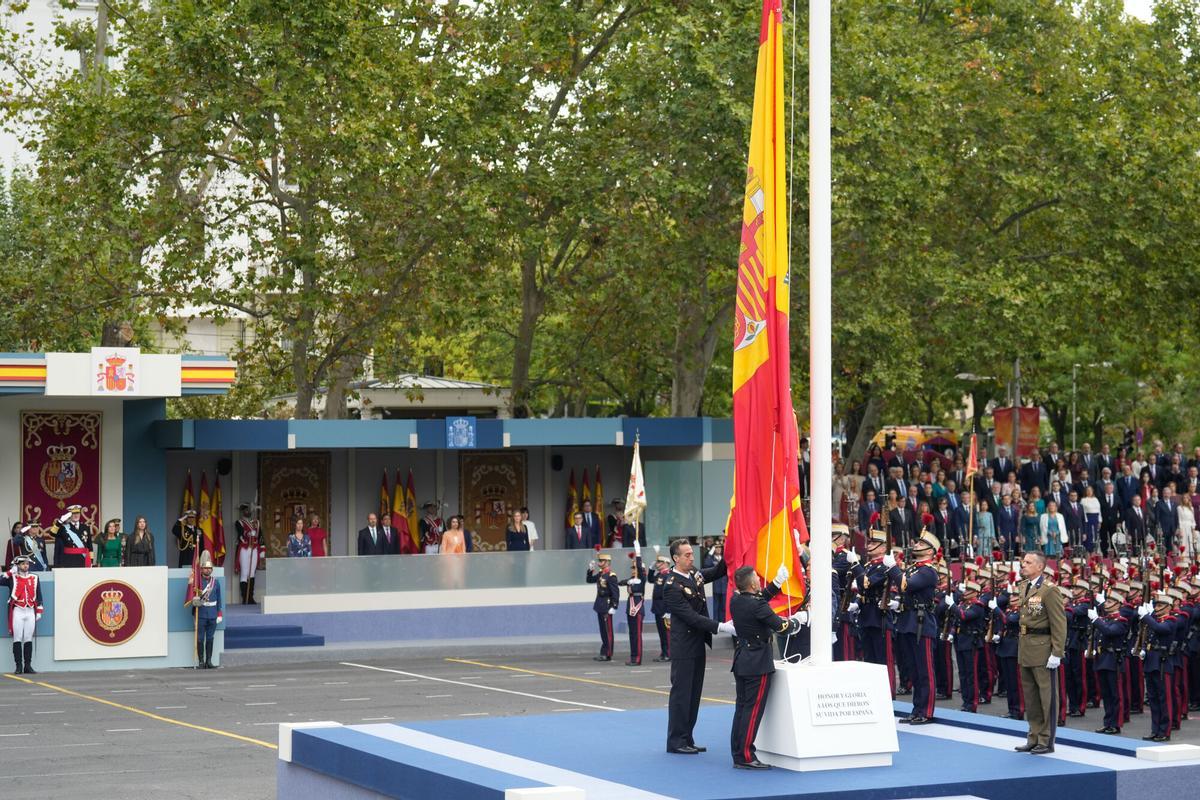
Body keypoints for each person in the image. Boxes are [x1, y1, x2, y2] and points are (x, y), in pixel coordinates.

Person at [728, 563, 803, 770]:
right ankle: (745, 756)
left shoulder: (737, 600)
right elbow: (781, 626)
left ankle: (738, 751)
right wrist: (798, 620)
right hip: (757, 662)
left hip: (743, 658)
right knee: (752, 711)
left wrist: (776, 583)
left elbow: (758, 603)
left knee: (742, 708)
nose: (759, 581)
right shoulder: (756, 605)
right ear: (752, 583)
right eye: (757, 579)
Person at [664, 538, 734, 754]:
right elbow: (691, 617)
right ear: (676, 558)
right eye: (687, 555)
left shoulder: (695, 574)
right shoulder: (671, 586)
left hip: (696, 644)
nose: (692, 558)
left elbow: (719, 570)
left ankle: (687, 737)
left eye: (692, 554)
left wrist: (731, 541)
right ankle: (676, 741)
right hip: (683, 646)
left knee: (694, 694)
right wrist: (721, 626)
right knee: (682, 694)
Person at [1015, 550, 1067, 755]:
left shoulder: (1049, 590)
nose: (1023, 565)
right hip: (1026, 647)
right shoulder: (1023, 587)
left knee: (1047, 697)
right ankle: (1034, 736)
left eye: (1028, 562)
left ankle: (1046, 740)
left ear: (1040, 566)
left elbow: (1059, 623)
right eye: (1023, 561)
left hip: (1043, 649)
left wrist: (1057, 652)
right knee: (1031, 697)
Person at [895, 530, 940, 725]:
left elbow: (907, 586)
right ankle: (916, 709)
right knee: (914, 670)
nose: (917, 545)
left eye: (922, 544)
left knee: (925, 670)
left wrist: (892, 569)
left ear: (931, 551)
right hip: (908, 621)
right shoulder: (914, 568)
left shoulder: (928, 571)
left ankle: (926, 711)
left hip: (922, 623)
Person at [1088, 589, 1129, 734]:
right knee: (1106, 694)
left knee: (1115, 694)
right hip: (1102, 660)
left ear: (1118, 604)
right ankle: (1108, 722)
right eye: (1106, 601)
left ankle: (1116, 724)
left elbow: (1109, 632)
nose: (1106, 604)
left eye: (1110, 601)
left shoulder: (1121, 621)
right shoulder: (1105, 619)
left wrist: (1095, 619)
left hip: (1113, 661)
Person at [2, 555, 43, 674]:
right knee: (17, 639)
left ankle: (28, 666)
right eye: (23, 563)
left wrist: (39, 611)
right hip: (18, 611)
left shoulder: (34, 577)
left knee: (28, 639)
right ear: (18, 565)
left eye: (27, 563)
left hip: (30, 611)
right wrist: (10, 572)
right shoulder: (12, 578)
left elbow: (39, 595)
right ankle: (18, 666)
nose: (26, 565)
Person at [189, 551, 223, 670]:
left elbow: (219, 599)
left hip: (212, 614)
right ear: (201, 569)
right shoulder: (197, 582)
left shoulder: (216, 582)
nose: (207, 570)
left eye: (209, 568)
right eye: (205, 568)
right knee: (199, 639)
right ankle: (201, 661)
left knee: (210, 638)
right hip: (201, 613)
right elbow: (191, 596)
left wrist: (219, 613)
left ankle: (209, 661)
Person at [586, 552, 620, 661]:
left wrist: (614, 606)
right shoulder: (601, 574)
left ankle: (608, 653)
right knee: (603, 631)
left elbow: (615, 593)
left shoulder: (611, 576)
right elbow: (589, 580)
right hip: (600, 605)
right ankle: (604, 651)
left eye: (601, 561)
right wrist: (590, 570)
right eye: (599, 561)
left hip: (607, 605)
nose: (599, 563)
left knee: (607, 631)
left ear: (607, 562)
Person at [618, 544, 648, 665]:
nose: (633, 570)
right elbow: (620, 583)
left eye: (635, 568)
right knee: (632, 635)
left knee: (637, 635)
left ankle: (637, 658)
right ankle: (632, 656)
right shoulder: (632, 579)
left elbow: (640, 569)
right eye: (633, 568)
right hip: (630, 608)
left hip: (638, 608)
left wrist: (638, 553)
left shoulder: (642, 579)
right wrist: (628, 581)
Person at [998, 592, 1024, 720]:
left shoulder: (1021, 611)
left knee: (1016, 682)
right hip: (1005, 646)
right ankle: (1011, 708)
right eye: (1011, 598)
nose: (1012, 600)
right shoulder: (1009, 611)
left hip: (1015, 648)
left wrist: (996, 609)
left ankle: (1018, 709)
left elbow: (1009, 620)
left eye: (1015, 598)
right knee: (1009, 682)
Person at [236, 504, 264, 603]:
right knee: (244, 573)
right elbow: (240, 534)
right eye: (246, 510)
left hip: (254, 549)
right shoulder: (239, 522)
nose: (248, 511)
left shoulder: (256, 523)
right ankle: (245, 597)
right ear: (243, 511)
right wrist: (247, 534)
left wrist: (262, 550)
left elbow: (260, 536)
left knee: (252, 573)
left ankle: (250, 597)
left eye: (249, 510)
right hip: (245, 548)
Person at [647, 552, 672, 661]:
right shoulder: (659, 574)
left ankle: (668, 654)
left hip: (664, 607)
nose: (658, 564)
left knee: (666, 633)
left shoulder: (668, 575)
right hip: (657, 607)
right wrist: (651, 569)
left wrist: (668, 610)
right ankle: (664, 652)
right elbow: (650, 579)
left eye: (660, 562)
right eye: (658, 562)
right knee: (661, 633)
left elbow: (669, 594)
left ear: (666, 563)